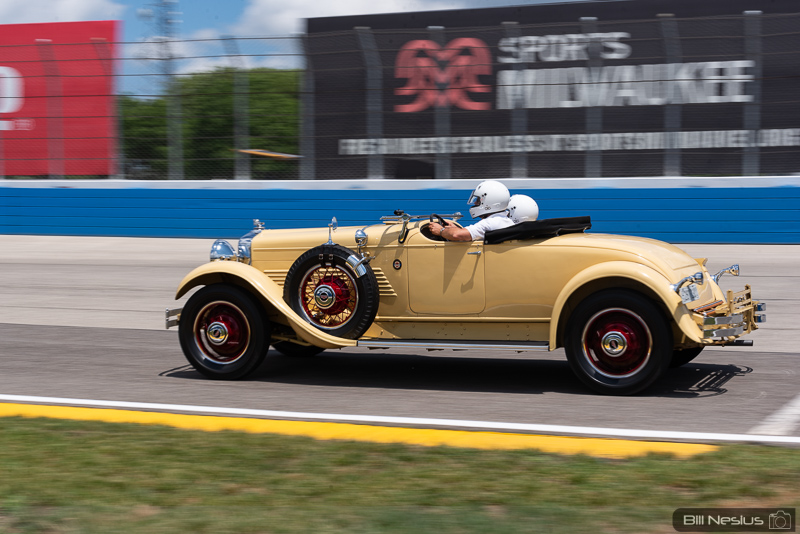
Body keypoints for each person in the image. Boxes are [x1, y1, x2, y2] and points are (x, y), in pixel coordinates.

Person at [428, 180, 514, 241]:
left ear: (489, 201)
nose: (475, 203)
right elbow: (469, 233)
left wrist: (440, 230)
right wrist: (455, 229)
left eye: (478, 200)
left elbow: (456, 235)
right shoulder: (507, 221)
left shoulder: (490, 223)